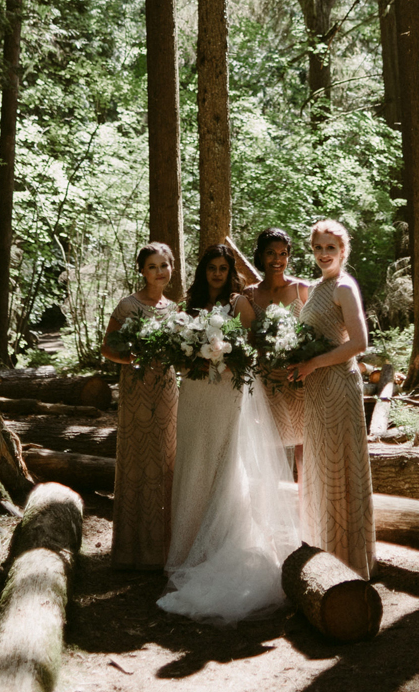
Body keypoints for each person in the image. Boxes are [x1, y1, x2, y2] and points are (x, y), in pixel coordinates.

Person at [156, 242, 297, 622]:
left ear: (230, 271)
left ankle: (220, 544)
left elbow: (251, 347)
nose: (217, 273)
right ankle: (186, 550)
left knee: (223, 462)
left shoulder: (238, 303)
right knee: (192, 462)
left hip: (226, 393)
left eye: (223, 268)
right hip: (196, 392)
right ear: (203, 271)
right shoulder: (191, 306)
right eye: (212, 268)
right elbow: (176, 351)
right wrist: (193, 356)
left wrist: (225, 356)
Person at [283, 219, 373, 576]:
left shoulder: (344, 288)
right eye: (318, 247)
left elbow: (359, 343)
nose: (323, 254)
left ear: (343, 251)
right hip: (317, 389)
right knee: (320, 467)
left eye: (330, 248)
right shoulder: (319, 287)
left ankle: (349, 560)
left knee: (340, 466)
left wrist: (314, 363)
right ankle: (324, 551)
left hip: (337, 385)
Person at [103, 242, 178, 570]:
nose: (160, 272)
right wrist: (129, 357)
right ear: (141, 271)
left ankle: (162, 549)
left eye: (165, 265)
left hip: (166, 390)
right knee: (137, 457)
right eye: (152, 266)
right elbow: (107, 348)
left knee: (165, 458)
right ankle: (132, 551)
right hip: (136, 388)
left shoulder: (174, 309)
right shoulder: (127, 305)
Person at [242, 227, 311, 457]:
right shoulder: (250, 294)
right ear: (260, 255)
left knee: (303, 443)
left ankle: (305, 494)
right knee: (268, 446)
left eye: (283, 254)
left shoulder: (301, 289)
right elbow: (248, 340)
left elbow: (313, 332)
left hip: (297, 376)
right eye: (271, 253)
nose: (277, 259)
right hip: (266, 379)